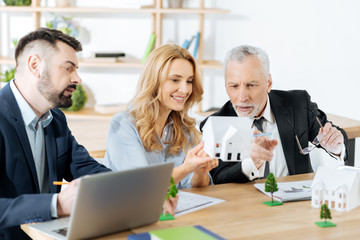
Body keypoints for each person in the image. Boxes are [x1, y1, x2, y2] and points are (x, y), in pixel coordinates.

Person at [0, 28, 111, 239]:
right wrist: (56, 204)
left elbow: (86, 168)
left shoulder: (55, 119)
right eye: (68, 68)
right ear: (35, 66)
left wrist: (135, 192)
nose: (77, 78)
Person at [199, 45, 349, 184]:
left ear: (268, 83)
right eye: (234, 86)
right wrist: (252, 163)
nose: (242, 97)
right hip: (246, 209)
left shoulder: (297, 104)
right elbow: (217, 179)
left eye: (251, 85)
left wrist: (336, 147)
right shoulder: (214, 124)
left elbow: (331, 134)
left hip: (297, 205)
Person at [104, 44, 218, 189]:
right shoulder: (123, 125)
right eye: (175, 80)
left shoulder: (185, 127)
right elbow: (141, 186)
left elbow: (197, 187)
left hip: (174, 209)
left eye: (189, 81)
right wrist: (186, 169)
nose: (185, 90)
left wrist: (200, 172)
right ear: (154, 81)